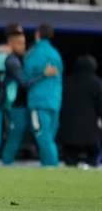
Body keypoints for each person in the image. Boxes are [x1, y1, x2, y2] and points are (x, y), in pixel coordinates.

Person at [0, 24, 56, 165]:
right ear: (10, 43)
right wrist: (43, 74)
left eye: (24, 43)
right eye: (20, 43)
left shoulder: (7, 57)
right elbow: (23, 83)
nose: (23, 46)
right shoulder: (10, 59)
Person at [22, 24, 63, 166]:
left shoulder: (33, 54)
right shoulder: (56, 54)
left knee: (44, 138)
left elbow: (25, 80)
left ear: (37, 34)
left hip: (39, 103)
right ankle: (48, 169)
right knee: (49, 139)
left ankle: (53, 169)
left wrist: (41, 76)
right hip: (55, 102)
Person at [59, 55, 102, 167]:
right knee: (92, 163)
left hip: (69, 132)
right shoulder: (97, 83)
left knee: (70, 163)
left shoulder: (66, 82)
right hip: (91, 133)